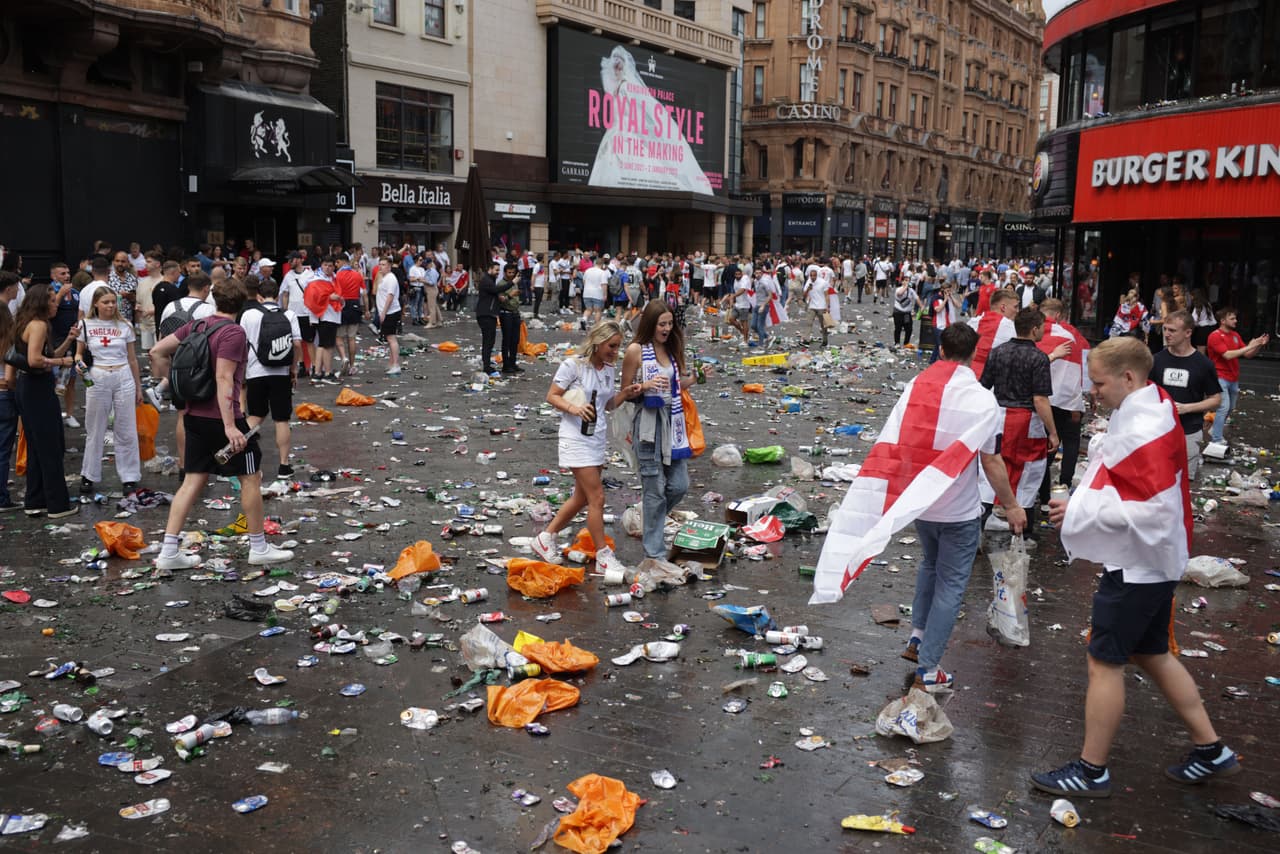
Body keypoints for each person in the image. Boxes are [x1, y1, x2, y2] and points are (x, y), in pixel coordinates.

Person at [1034, 336, 1238, 799]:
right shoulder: (1154, 402)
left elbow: (1150, 509)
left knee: (1103, 662)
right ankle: (1211, 750)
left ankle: (1092, 770)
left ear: (1129, 377)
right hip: (1155, 561)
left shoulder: (1144, 425)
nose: (1093, 391)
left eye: (1100, 382)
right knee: (1150, 653)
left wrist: (1081, 513)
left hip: (1138, 566)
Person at [149, 277, 294, 570]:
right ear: (242, 303)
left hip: (193, 416)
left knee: (192, 480)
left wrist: (177, 386)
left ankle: (168, 552)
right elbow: (224, 378)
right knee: (251, 477)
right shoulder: (233, 333)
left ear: (213, 299)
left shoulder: (196, 326)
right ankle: (258, 546)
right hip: (222, 418)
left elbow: (156, 351)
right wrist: (230, 426)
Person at [532, 320, 641, 576]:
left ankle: (545, 537)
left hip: (596, 438)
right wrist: (575, 409)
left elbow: (607, 404)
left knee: (582, 497)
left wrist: (626, 393)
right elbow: (552, 395)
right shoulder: (574, 365)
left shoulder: (607, 369)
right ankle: (604, 555)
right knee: (597, 498)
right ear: (597, 342)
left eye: (618, 347)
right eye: (611, 346)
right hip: (575, 438)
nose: (615, 352)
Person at [619, 300, 694, 565]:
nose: (666, 328)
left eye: (670, 323)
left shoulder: (672, 349)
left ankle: (650, 517)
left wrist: (697, 378)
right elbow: (624, 393)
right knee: (654, 490)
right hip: (648, 427)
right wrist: (644, 386)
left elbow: (677, 385)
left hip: (673, 424)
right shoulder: (636, 351)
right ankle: (654, 554)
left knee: (679, 485)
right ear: (650, 324)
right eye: (662, 324)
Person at [979, 308, 1065, 535]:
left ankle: (977, 526)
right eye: (1042, 329)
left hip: (998, 415)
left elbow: (983, 387)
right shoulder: (1038, 358)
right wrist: (1053, 432)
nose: (1044, 333)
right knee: (1029, 471)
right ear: (1034, 329)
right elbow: (1040, 399)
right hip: (1027, 420)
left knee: (991, 468)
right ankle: (1023, 532)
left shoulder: (997, 351)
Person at [11, 284, 78, 518]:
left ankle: (35, 499)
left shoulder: (27, 323)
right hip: (36, 389)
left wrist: (69, 341)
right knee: (50, 446)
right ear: (40, 302)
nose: (55, 303)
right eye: (51, 300)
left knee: (38, 446)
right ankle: (57, 504)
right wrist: (62, 364)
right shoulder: (38, 325)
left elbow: (48, 355)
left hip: (28, 388)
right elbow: (36, 360)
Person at [75, 288, 142, 494]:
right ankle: (89, 474)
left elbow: (132, 358)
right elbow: (78, 354)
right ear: (96, 304)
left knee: (126, 428)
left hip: (123, 375)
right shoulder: (85, 324)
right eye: (106, 302)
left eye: (113, 302)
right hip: (98, 376)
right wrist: (79, 364)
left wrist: (138, 387)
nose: (111, 306)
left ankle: (129, 476)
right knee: (95, 428)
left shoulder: (125, 325)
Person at [240, 275, 302, 478]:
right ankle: (284, 466)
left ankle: (235, 459)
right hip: (281, 373)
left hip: (255, 372)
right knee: (281, 419)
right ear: (277, 296)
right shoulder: (289, 314)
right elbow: (297, 345)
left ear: (258, 296)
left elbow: (240, 344)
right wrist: (294, 369)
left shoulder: (249, 315)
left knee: (255, 416)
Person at [1149, 310, 1219, 481]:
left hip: (1189, 431)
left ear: (1188, 333)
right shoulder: (1156, 360)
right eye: (1165, 329)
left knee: (1183, 484)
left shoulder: (1203, 364)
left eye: (1172, 330)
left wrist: (1187, 408)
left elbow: (1216, 399)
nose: (1166, 334)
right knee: (1155, 481)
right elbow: (1145, 392)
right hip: (1158, 431)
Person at [1036, 299, 1091, 502]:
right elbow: (1080, 372)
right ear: (1059, 315)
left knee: (1043, 451)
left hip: (1039, 401)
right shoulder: (1073, 336)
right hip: (1065, 401)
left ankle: (1041, 496)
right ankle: (1064, 486)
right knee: (1071, 442)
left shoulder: (1034, 333)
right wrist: (1079, 403)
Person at [1206, 307, 1268, 447]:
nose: (1236, 321)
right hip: (1219, 376)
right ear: (1222, 321)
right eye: (1232, 318)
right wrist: (1249, 346)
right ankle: (1216, 439)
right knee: (1223, 406)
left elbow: (1247, 355)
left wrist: (1258, 345)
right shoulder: (1215, 336)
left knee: (1230, 407)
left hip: (1233, 377)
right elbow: (1228, 355)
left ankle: (1215, 429)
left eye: (1235, 318)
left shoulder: (1235, 335)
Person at [0, 272, 22, 511]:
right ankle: (1, 498)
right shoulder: (5, 318)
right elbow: (9, 366)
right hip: (3, 391)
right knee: (3, 447)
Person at [474, 260, 507, 375]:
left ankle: (487, 365)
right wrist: (512, 282)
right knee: (488, 341)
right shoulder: (487, 280)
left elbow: (492, 294)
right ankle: (486, 367)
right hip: (485, 315)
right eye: (496, 270)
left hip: (489, 314)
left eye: (499, 270)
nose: (498, 272)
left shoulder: (489, 280)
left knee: (490, 341)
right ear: (490, 269)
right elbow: (495, 290)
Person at [333, 257, 363, 376]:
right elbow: (364, 293)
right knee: (352, 338)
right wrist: (366, 309)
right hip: (355, 304)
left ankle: (343, 357)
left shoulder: (337, 276)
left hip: (342, 305)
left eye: (337, 262)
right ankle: (352, 365)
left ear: (341, 261)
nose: (335, 264)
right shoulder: (357, 275)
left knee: (339, 336)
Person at [373, 257, 403, 376]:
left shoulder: (390, 278)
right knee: (390, 339)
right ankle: (392, 363)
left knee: (391, 339)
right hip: (388, 311)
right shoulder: (385, 277)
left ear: (389, 266)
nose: (381, 266)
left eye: (384, 264)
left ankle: (396, 364)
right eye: (380, 264)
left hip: (390, 312)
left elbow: (390, 297)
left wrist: (383, 313)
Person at [496, 263, 523, 377]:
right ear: (505, 272)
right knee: (507, 339)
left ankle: (513, 362)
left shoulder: (515, 282)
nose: (511, 275)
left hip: (515, 313)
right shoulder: (501, 284)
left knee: (515, 339)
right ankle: (506, 365)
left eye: (513, 272)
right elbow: (501, 300)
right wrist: (511, 295)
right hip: (506, 313)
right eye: (509, 272)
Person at [802, 267, 831, 347]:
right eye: (811, 276)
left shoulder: (823, 282)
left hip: (821, 306)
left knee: (823, 325)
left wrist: (828, 306)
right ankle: (806, 340)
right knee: (809, 323)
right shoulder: (808, 282)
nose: (812, 277)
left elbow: (826, 295)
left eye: (814, 276)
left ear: (817, 276)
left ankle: (825, 340)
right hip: (812, 306)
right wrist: (808, 289)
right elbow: (804, 295)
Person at [751, 266, 779, 349]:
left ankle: (761, 344)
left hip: (764, 305)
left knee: (760, 325)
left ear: (762, 274)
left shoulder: (764, 282)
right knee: (753, 325)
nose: (758, 275)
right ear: (754, 274)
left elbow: (770, 295)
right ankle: (768, 336)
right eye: (756, 273)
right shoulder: (756, 281)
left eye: (760, 273)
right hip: (757, 305)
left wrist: (763, 305)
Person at [580, 255, 610, 331]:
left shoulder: (587, 271)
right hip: (597, 293)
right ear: (602, 264)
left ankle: (584, 319)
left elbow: (584, 281)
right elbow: (604, 285)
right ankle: (597, 326)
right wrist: (605, 295)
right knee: (598, 310)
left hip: (586, 293)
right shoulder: (602, 273)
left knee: (588, 309)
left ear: (594, 263)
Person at [892, 275, 923, 347]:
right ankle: (897, 343)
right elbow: (900, 293)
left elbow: (916, 298)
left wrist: (921, 306)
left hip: (907, 313)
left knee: (909, 328)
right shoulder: (898, 289)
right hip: (898, 312)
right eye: (905, 280)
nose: (907, 282)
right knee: (898, 328)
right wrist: (906, 286)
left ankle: (906, 343)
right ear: (902, 281)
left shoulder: (911, 290)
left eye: (908, 280)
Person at [423, 257, 444, 328]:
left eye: (427, 264)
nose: (426, 265)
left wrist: (423, 281)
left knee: (431, 307)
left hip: (432, 289)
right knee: (434, 305)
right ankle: (439, 320)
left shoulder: (432, 271)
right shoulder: (428, 271)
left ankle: (432, 322)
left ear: (430, 264)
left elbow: (432, 282)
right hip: (429, 289)